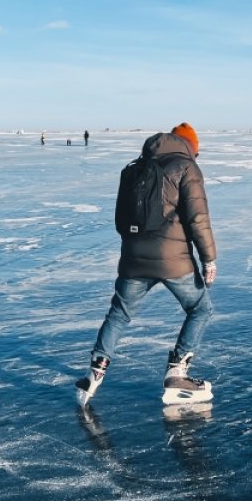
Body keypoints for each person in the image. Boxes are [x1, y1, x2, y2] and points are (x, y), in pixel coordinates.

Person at [75, 122, 218, 407]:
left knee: (119, 313)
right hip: (174, 262)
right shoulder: (186, 168)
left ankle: (96, 370)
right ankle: (177, 373)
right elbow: (197, 219)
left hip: (133, 259)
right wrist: (208, 259)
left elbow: (120, 221)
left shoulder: (133, 169)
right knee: (200, 309)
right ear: (190, 147)